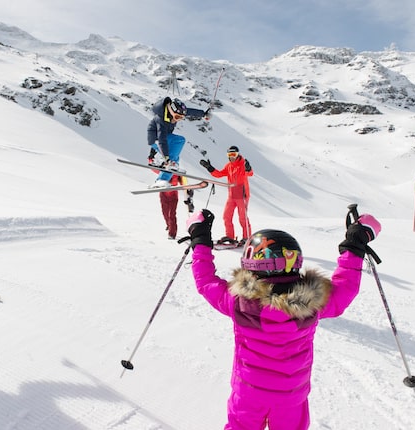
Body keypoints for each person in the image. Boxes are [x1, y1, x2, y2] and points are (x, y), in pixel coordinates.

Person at [186, 208, 381, 430]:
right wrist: (354, 246)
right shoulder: (312, 303)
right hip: (291, 396)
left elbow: (205, 281)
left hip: (248, 392)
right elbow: (345, 286)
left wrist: (200, 240)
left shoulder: (238, 301)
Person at [147, 96, 209, 188]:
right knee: (179, 141)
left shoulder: (174, 111)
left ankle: (162, 180)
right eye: (177, 117)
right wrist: (166, 157)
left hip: (163, 139)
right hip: (158, 139)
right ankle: (163, 174)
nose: (178, 119)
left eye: (181, 118)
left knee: (175, 158)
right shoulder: (160, 119)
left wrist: (203, 114)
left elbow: (189, 111)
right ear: (171, 111)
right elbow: (161, 139)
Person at [199, 145, 253, 245]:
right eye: (230, 154)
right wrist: (209, 168)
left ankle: (247, 237)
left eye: (234, 154)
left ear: (237, 154)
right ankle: (230, 236)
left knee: (242, 218)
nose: (232, 156)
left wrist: (248, 168)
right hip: (232, 195)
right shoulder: (228, 166)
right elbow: (219, 174)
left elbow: (249, 173)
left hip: (242, 195)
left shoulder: (243, 164)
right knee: (226, 216)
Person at [158, 174, 194, 240]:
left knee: (171, 214)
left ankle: (172, 234)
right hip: (163, 194)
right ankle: (169, 225)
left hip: (173, 196)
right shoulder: (163, 171)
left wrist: (188, 192)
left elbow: (183, 183)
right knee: (165, 213)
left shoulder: (177, 173)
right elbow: (155, 171)